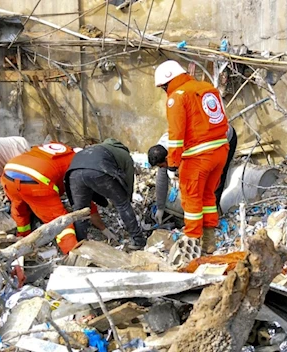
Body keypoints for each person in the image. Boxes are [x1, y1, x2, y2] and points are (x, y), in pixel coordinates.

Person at [154, 60, 230, 254]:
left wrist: (172, 166)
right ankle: (209, 242)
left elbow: (176, 136)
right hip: (220, 149)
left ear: (167, 82)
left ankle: (193, 244)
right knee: (207, 197)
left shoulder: (178, 97)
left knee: (192, 200)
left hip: (198, 156)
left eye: (163, 87)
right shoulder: (207, 88)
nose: (164, 91)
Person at [1, 142, 109, 254]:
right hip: (36, 181)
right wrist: (103, 228)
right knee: (60, 221)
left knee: (20, 208)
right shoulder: (78, 166)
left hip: (9, 172)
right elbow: (83, 200)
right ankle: (71, 253)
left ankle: (23, 238)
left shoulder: (60, 150)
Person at [148, 123, 237, 223]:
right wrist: (160, 208)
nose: (163, 168)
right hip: (204, 139)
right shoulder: (162, 148)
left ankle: (209, 218)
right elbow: (161, 178)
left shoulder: (188, 149)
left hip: (224, 138)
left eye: (162, 165)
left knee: (215, 180)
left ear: (167, 157)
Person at [65, 138, 145, 250]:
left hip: (74, 172)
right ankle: (138, 240)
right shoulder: (124, 154)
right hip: (99, 170)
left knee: (80, 211)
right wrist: (127, 198)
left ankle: (80, 246)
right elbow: (128, 179)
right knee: (122, 204)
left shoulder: (96, 148)